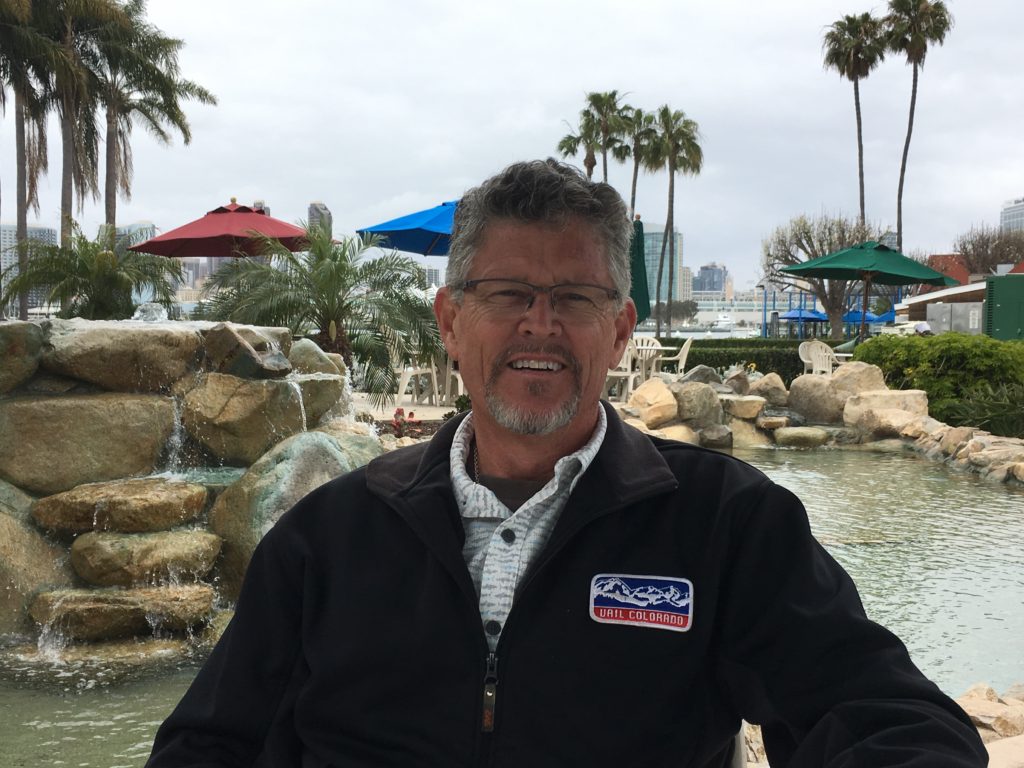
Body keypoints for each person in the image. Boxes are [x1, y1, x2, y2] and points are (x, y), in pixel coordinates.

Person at [146, 160, 986, 767]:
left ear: (618, 330)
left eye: (575, 298)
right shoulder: (329, 536)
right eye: (508, 293)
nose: (540, 325)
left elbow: (888, 717)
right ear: (450, 320)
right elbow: (209, 743)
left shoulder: (726, 523)